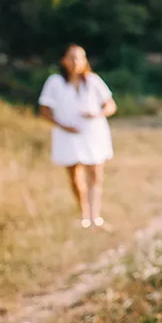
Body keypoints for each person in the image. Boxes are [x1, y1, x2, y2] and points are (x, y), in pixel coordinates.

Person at [38, 44, 117, 230]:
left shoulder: (93, 81)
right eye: (72, 58)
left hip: (93, 133)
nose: (76, 62)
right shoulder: (55, 82)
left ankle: (95, 217)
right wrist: (64, 126)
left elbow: (111, 105)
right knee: (74, 176)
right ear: (63, 60)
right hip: (67, 135)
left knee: (95, 175)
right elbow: (44, 110)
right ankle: (84, 214)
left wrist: (97, 114)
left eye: (80, 58)